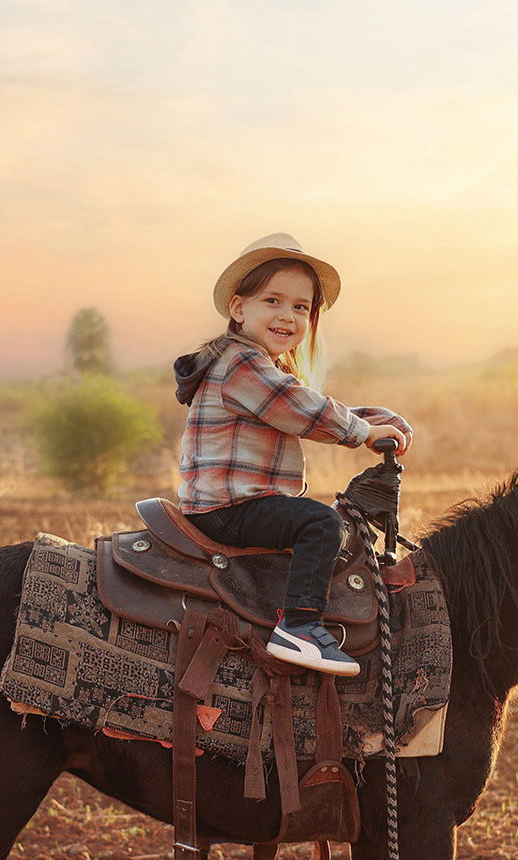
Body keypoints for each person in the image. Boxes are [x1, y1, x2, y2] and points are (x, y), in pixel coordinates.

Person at [172, 233, 412, 676]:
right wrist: (362, 431)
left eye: (301, 307)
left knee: (312, 522)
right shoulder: (241, 363)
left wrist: (375, 420)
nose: (288, 316)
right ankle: (300, 627)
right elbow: (300, 408)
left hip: (235, 504)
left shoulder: (258, 365)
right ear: (239, 308)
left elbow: (303, 404)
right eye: (273, 301)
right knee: (321, 524)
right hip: (228, 507)